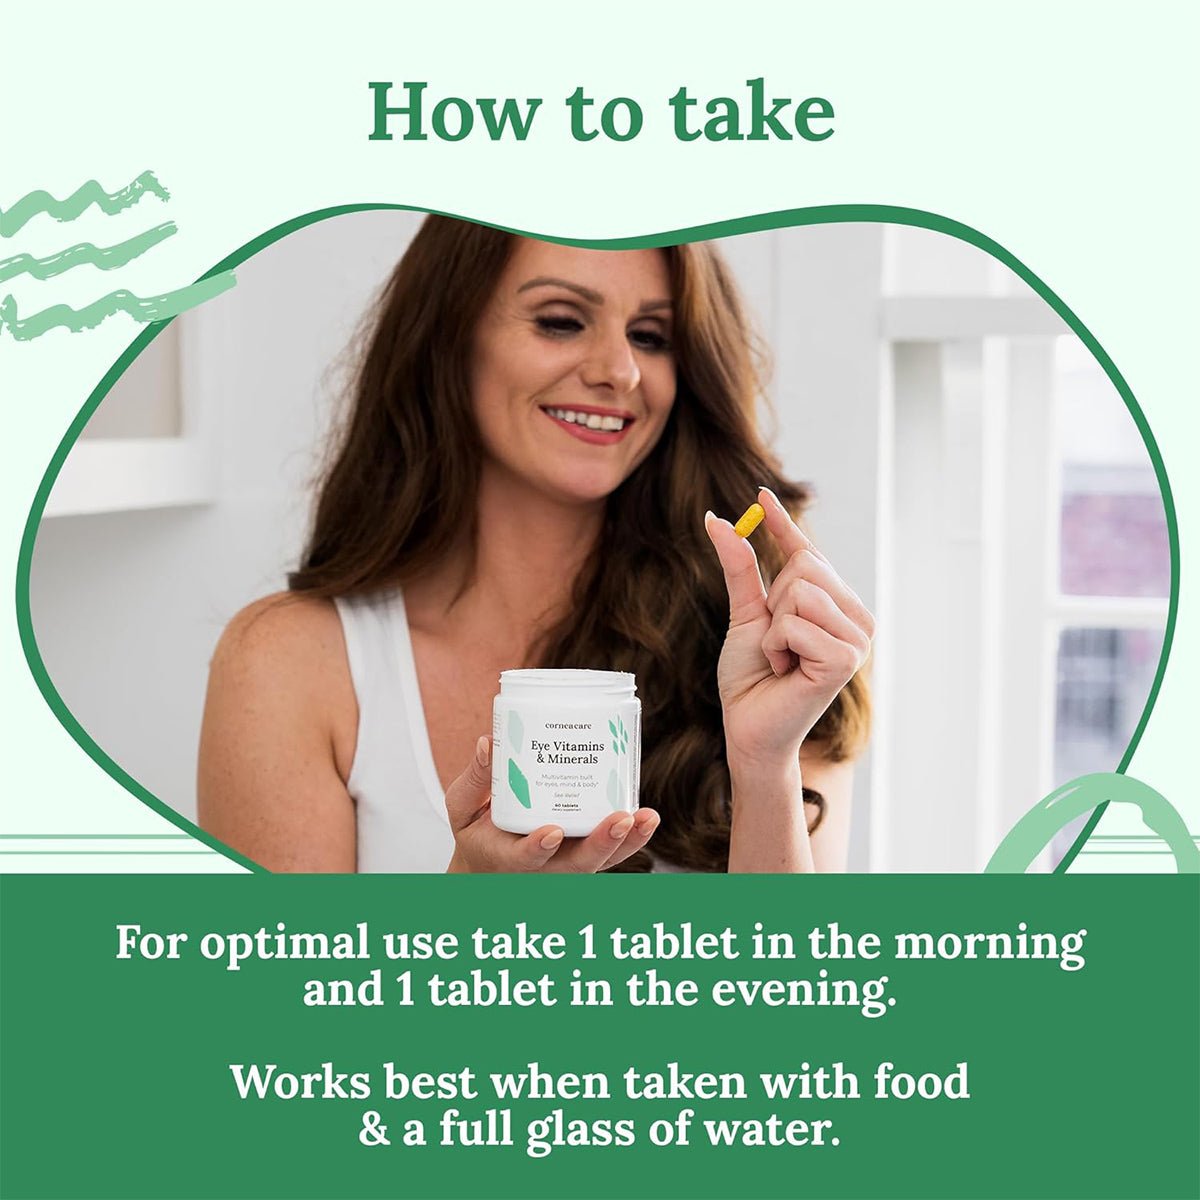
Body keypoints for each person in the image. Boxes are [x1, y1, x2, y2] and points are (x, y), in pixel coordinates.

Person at [197, 217, 873, 874]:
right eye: (560, 320)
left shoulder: (768, 649)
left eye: (651, 336)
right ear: (447, 338)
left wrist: (763, 767)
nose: (621, 371)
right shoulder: (291, 663)